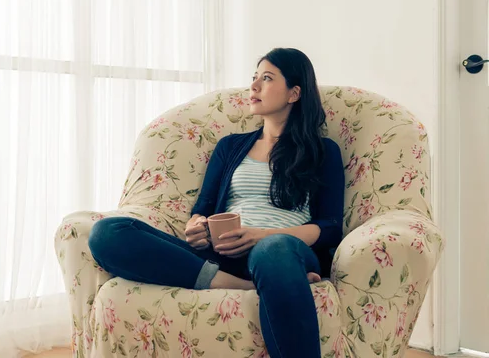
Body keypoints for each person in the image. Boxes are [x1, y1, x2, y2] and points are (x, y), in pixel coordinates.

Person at [89, 48, 344, 357]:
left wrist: (262, 236)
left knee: (272, 249)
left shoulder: (323, 151)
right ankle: (243, 286)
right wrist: (196, 225)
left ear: (294, 92)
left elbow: (330, 227)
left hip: (284, 253)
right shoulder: (230, 146)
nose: (253, 87)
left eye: (266, 78)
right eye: (254, 78)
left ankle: (265, 274)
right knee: (107, 232)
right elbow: (204, 207)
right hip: (223, 256)